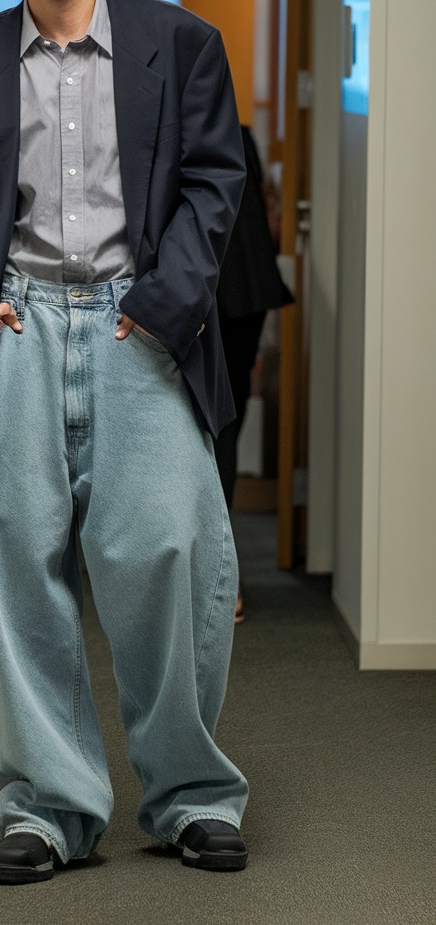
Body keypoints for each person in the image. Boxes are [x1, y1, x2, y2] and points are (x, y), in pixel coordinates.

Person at [0, 0, 249, 883]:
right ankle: (49, 806)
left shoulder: (181, 44)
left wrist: (162, 307)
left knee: (167, 558)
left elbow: (213, 182)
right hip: (14, 325)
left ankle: (190, 795)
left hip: (135, 327)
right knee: (14, 569)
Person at [214, 126, 294, 623]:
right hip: (245, 290)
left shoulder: (156, 118)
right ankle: (222, 579)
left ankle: (218, 581)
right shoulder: (240, 132)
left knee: (207, 432)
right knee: (225, 423)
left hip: (206, 292)